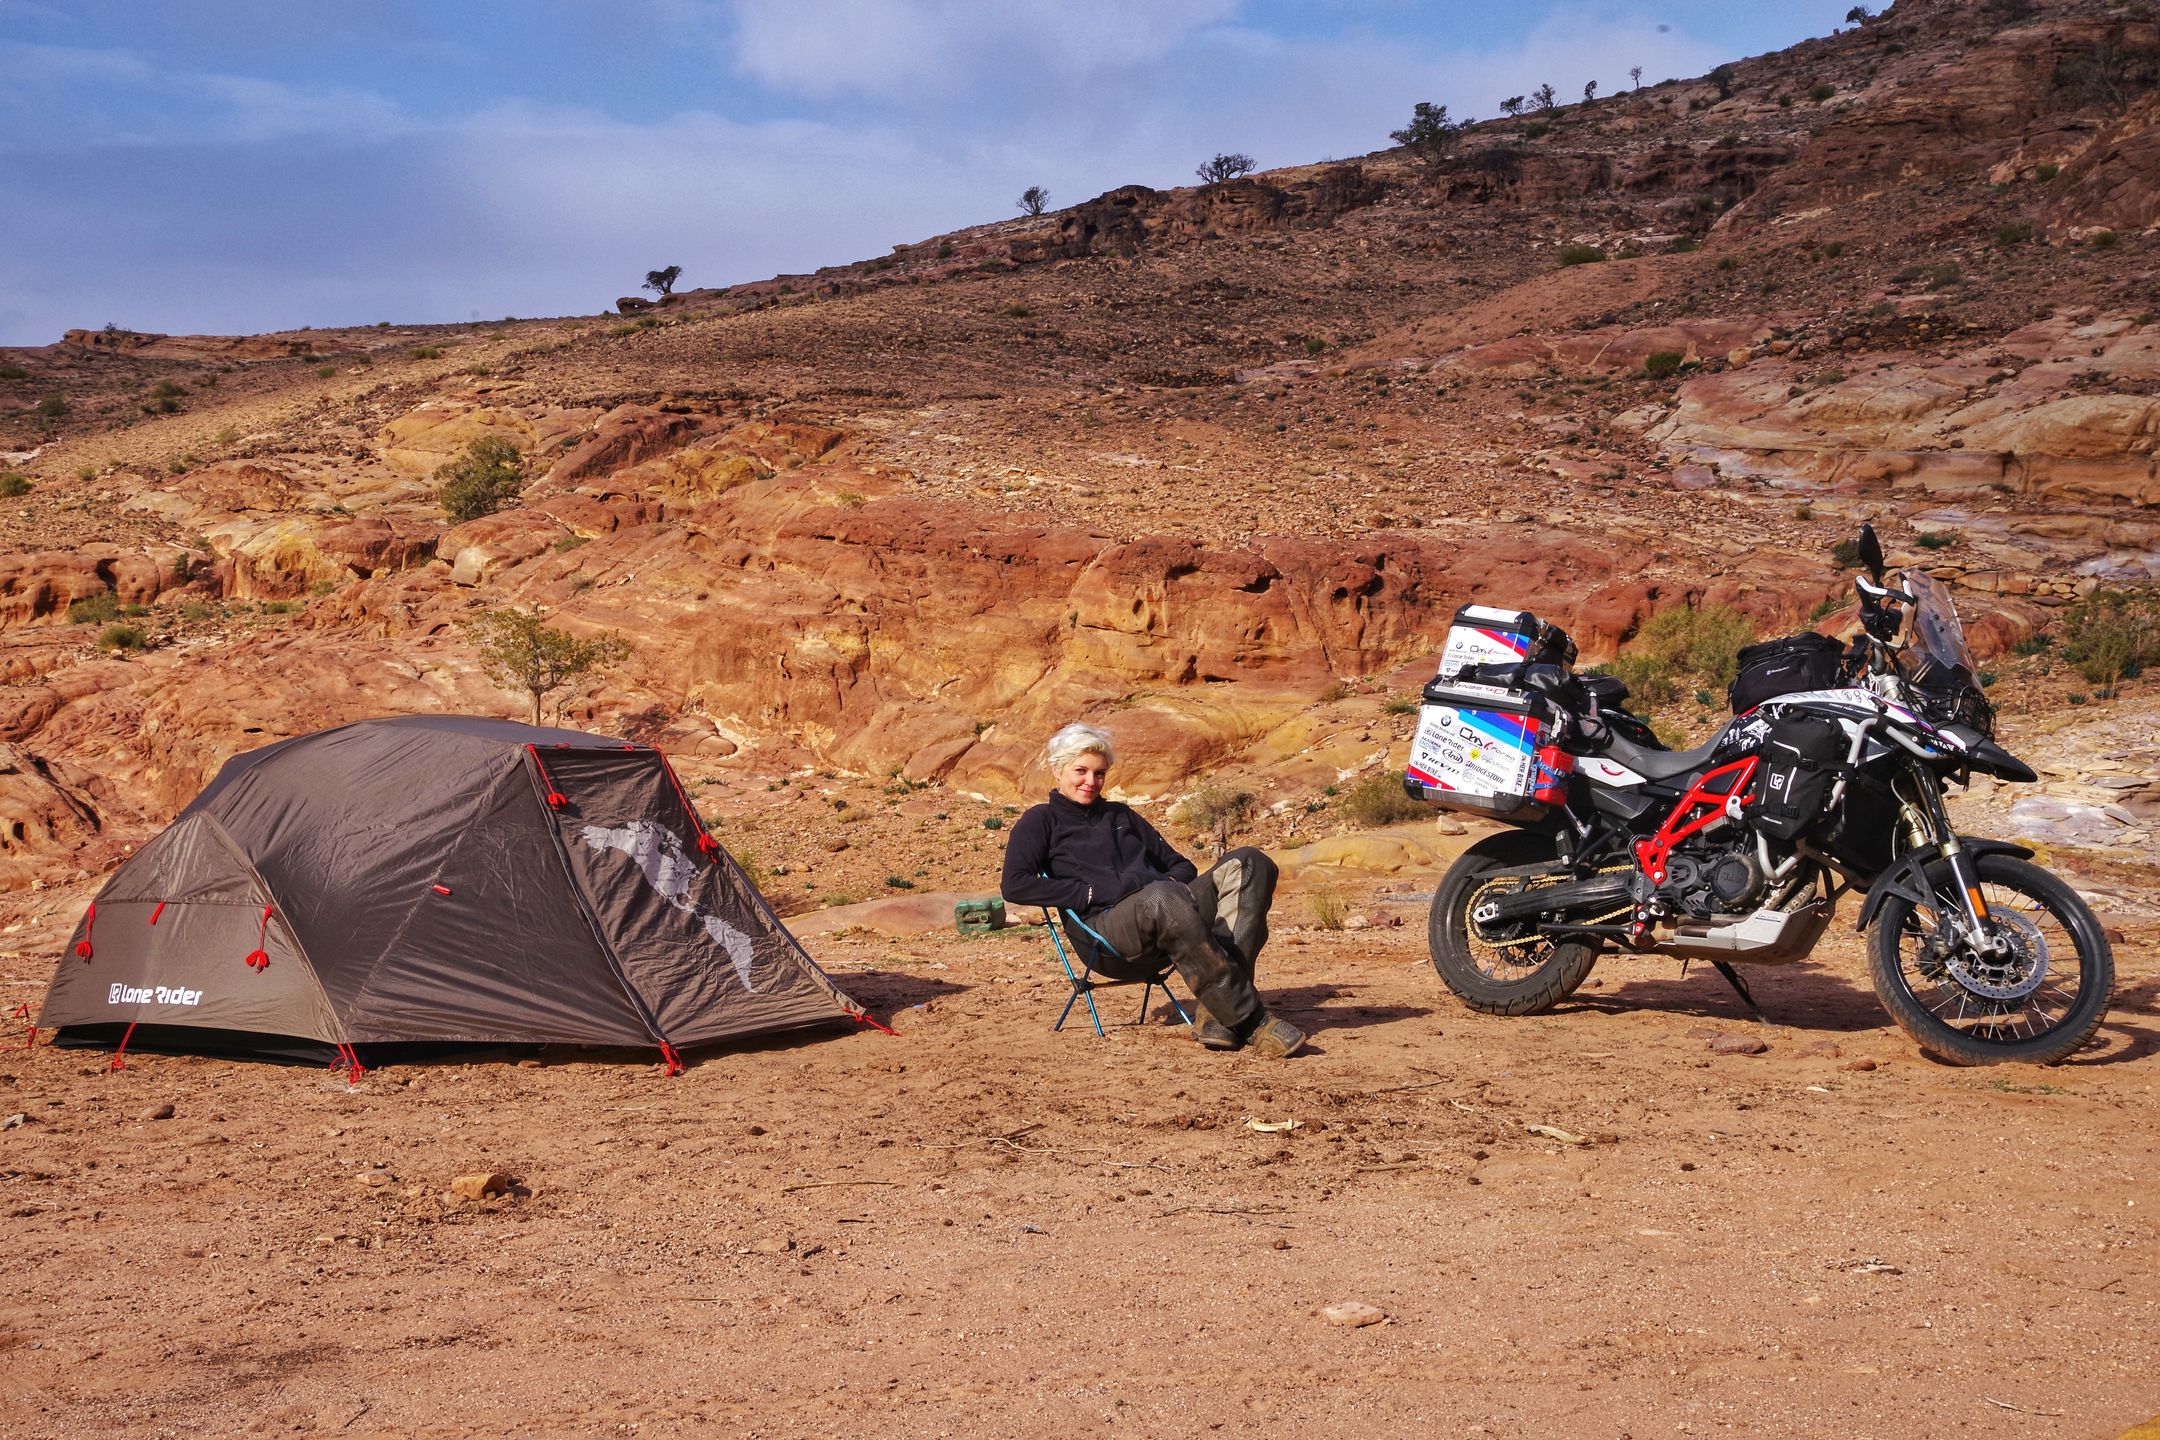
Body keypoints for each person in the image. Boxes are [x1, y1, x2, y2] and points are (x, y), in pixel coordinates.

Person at [1000, 721, 1306, 1058]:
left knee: (1249, 862)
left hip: (1170, 917)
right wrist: (1087, 894)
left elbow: (1181, 867)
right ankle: (1251, 1020)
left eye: (1099, 773)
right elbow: (1015, 884)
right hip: (1106, 936)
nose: (1091, 781)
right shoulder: (1040, 821)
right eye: (1080, 771)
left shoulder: (1121, 816)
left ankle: (1217, 1015)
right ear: (1058, 770)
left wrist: (1167, 886)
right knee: (1161, 896)